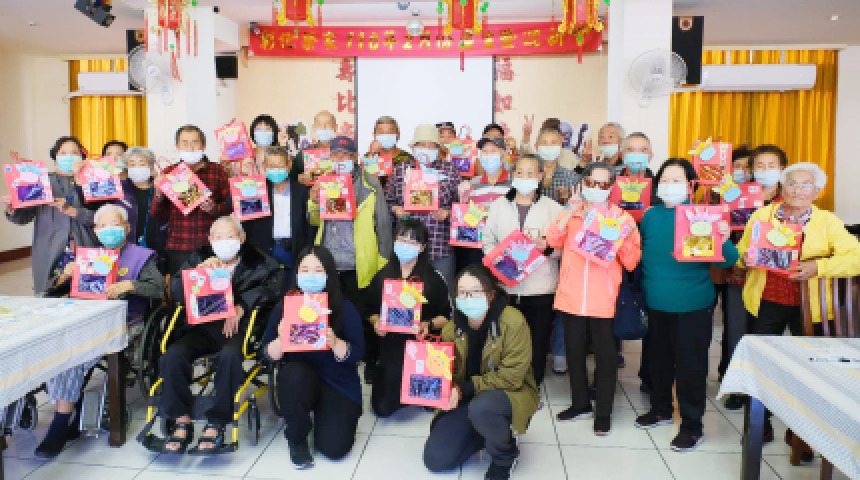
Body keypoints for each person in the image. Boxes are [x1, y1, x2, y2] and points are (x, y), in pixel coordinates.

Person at [737, 162, 860, 441]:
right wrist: (745, 258)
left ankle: (802, 433)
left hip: (811, 307)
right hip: (767, 300)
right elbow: (743, 251)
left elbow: (856, 258)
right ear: (782, 187)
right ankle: (760, 425)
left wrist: (819, 267)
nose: (798, 190)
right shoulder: (762, 215)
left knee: (809, 369)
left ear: (817, 191)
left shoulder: (827, 221)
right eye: (792, 183)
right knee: (762, 364)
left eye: (806, 185)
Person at [34, 204, 164, 458]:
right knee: (56, 348)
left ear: (126, 227)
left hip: (125, 321)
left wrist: (131, 285)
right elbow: (50, 290)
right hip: (86, 320)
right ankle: (71, 406)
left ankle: (60, 423)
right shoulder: (87, 256)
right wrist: (64, 276)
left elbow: (159, 289)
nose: (108, 230)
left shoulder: (141, 256)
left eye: (114, 224)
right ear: (95, 231)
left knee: (72, 356)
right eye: (102, 226)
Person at [634, 158, 738, 452]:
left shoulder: (702, 215)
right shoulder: (651, 216)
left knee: (691, 367)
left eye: (677, 180)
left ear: (691, 185)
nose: (669, 185)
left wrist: (723, 238)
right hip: (656, 303)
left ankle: (692, 426)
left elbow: (728, 261)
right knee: (658, 361)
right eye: (664, 180)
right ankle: (661, 410)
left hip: (692, 305)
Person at [158, 216, 283, 454]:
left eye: (231, 236)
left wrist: (243, 306)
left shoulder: (259, 262)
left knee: (229, 356)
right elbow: (176, 290)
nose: (225, 241)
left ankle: (217, 422)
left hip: (238, 329)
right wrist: (196, 274)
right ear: (210, 239)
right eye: (219, 237)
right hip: (202, 328)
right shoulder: (199, 257)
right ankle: (181, 419)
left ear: (242, 238)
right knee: (172, 355)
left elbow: (273, 288)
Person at [547, 162, 641, 435]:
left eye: (603, 184)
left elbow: (632, 261)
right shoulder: (573, 214)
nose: (597, 188)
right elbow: (553, 239)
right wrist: (569, 210)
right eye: (591, 183)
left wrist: (622, 238)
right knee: (574, 352)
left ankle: (604, 412)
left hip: (605, 299)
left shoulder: (622, 218)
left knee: (606, 357)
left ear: (611, 187)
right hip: (572, 295)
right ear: (582, 184)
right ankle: (580, 404)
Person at [422, 264, 539, 480]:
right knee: (436, 459)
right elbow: (446, 373)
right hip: (467, 398)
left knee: (483, 407)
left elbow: (512, 378)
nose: (468, 298)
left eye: (475, 291)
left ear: (491, 294)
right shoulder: (451, 328)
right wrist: (429, 371)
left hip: (508, 394)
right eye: (462, 292)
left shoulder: (513, 322)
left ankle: (505, 456)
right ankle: (488, 432)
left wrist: (465, 388)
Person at [263, 246, 365, 468]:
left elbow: (358, 352)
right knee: (292, 374)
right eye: (305, 269)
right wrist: (281, 338)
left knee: (335, 449)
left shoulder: (344, 307)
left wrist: (335, 343)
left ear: (329, 274)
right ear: (296, 273)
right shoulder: (285, 307)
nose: (311, 275)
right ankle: (297, 439)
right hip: (299, 380)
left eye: (318, 270)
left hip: (337, 382)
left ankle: (325, 414)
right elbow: (267, 354)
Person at [307, 136, 392, 377]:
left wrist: (383, 260)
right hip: (329, 261)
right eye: (335, 155)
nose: (340, 159)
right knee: (333, 312)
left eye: (345, 155)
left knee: (363, 313)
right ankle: (337, 355)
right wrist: (313, 201)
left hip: (359, 261)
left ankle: (369, 359)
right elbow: (314, 220)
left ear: (355, 157)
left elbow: (383, 224)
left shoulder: (370, 183)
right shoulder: (324, 182)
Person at [483, 154, 563, 385]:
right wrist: (498, 260)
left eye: (531, 173)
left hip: (541, 287)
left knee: (538, 339)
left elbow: (562, 248)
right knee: (507, 338)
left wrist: (546, 247)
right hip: (505, 286)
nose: (525, 177)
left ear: (540, 176)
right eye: (520, 172)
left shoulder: (554, 209)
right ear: (513, 175)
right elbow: (487, 240)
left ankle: (534, 382)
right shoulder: (498, 206)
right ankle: (508, 381)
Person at [366, 218, 451, 416]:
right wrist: (376, 322)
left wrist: (427, 324)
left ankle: (419, 392)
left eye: (412, 242)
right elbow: (368, 309)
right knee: (382, 408)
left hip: (422, 345)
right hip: (391, 344)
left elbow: (447, 316)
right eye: (402, 240)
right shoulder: (383, 275)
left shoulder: (434, 278)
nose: (406, 246)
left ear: (422, 247)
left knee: (427, 397)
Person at [3, 136, 102, 295]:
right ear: (55, 157)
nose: (69, 156)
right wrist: (12, 208)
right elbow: (23, 218)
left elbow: (101, 217)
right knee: (50, 294)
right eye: (63, 153)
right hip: (49, 247)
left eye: (74, 152)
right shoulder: (42, 181)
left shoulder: (93, 181)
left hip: (86, 244)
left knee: (89, 292)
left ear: (82, 156)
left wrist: (74, 211)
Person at [150, 125, 232, 275]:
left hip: (211, 245)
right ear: (177, 146)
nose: (190, 147)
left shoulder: (218, 171)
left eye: (194, 142)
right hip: (179, 245)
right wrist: (158, 194)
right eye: (185, 143)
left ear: (203, 145)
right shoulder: (169, 173)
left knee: (212, 286)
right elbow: (158, 215)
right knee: (179, 287)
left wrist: (214, 208)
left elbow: (229, 207)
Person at [386, 124, 461, 284]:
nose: (426, 149)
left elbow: (462, 208)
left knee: (442, 293)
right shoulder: (400, 170)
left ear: (438, 148)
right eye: (421, 145)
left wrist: (448, 213)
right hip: (407, 249)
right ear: (413, 147)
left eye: (431, 145)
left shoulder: (450, 170)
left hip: (439, 249)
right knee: (407, 294)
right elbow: (387, 201)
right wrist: (396, 209)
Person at [718, 145, 753, 409]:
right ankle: (734, 384)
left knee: (761, 332)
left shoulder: (773, 203)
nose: (741, 171)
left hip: (769, 277)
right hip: (734, 272)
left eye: (747, 166)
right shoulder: (722, 195)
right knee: (734, 329)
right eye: (736, 166)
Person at [243, 146, 312, 278]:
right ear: (264, 166)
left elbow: (308, 223)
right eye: (271, 166)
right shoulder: (256, 189)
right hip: (264, 251)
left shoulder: (301, 190)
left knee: (291, 286)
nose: (276, 170)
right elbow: (233, 206)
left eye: (280, 166)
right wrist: (246, 181)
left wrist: (308, 250)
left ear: (289, 165)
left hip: (294, 249)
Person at [116, 147, 167, 264]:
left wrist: (159, 191)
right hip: (126, 249)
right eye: (132, 164)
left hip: (158, 250)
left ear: (151, 166)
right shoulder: (119, 187)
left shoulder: (163, 187)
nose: (137, 168)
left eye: (142, 164)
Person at [292, 110, 339, 184]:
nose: (323, 127)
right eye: (319, 124)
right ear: (314, 127)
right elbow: (292, 178)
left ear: (335, 127)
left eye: (328, 124)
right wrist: (299, 178)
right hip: (311, 190)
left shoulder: (343, 151)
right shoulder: (304, 153)